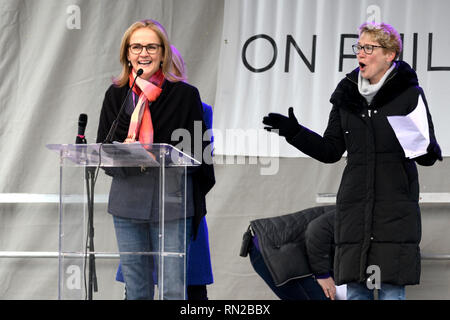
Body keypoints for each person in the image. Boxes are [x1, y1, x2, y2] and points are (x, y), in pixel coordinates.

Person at [263, 22, 442, 300]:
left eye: (369, 47)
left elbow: (428, 156)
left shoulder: (408, 94)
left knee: (391, 291)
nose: (360, 53)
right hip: (354, 211)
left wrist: (421, 144)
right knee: (356, 291)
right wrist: (294, 133)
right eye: (358, 47)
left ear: (390, 55)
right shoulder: (347, 93)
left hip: (393, 214)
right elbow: (330, 150)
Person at [96, 19, 215, 300]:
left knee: (174, 290)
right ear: (126, 53)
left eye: (151, 46)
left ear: (163, 53)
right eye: (136, 46)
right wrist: (125, 153)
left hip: (172, 203)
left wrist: (161, 160)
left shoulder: (186, 96)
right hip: (128, 202)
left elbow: (200, 155)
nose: (143, 53)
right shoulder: (116, 94)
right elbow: (104, 146)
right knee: (136, 290)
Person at [241, 205, 344, 300]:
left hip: (278, 249)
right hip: (273, 251)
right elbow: (317, 229)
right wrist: (323, 275)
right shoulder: (354, 213)